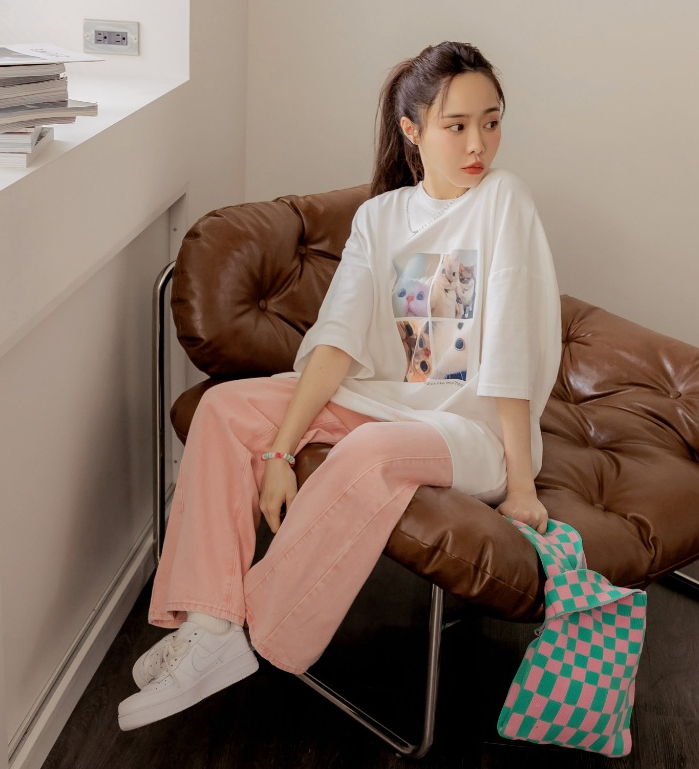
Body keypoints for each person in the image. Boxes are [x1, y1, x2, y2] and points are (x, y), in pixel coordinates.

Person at [118, 40, 561, 731]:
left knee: (367, 453)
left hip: (469, 432)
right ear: (412, 130)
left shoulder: (503, 199)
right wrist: (279, 451)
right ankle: (209, 625)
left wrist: (523, 485)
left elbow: (507, 348)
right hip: (383, 403)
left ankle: (250, 628)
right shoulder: (380, 218)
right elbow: (336, 341)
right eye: (456, 125)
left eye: (491, 121)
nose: (478, 143)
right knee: (226, 409)